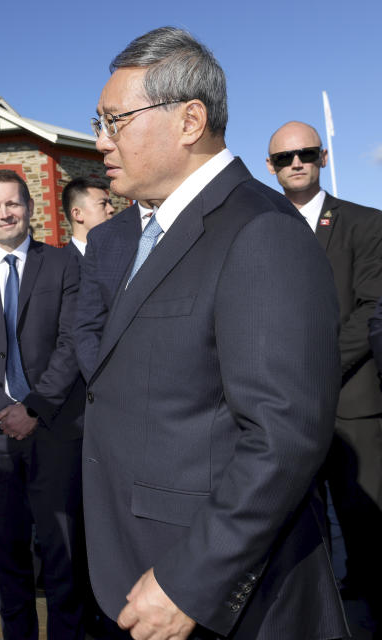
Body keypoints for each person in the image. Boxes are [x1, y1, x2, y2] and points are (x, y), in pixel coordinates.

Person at [84, 27, 346, 639]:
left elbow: (284, 436)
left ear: (189, 119)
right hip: (141, 565)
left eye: (115, 120)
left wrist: (190, 579)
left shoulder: (260, 231)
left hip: (219, 595)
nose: (101, 141)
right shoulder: (150, 234)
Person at [0, 169, 86, 640]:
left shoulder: (64, 265)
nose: (5, 213)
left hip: (53, 428)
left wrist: (35, 407)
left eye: (14, 203)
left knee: (63, 551)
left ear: (29, 207)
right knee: (7, 557)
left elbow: (72, 342)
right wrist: (4, 408)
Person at [266, 120, 382, 623]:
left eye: (306, 154)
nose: (296, 163)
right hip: (283, 408)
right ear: (271, 168)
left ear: (323, 158)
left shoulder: (366, 224)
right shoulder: (261, 231)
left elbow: (373, 307)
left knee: (366, 521)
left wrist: (316, 370)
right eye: (284, 158)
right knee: (298, 523)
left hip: (351, 405)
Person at [72, 200, 152, 380]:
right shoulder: (102, 237)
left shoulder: (215, 214)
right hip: (121, 390)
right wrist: (104, 385)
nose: (111, 208)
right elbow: (88, 326)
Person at [61, 177, 116, 256]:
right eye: (103, 204)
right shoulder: (60, 264)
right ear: (78, 214)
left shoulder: (122, 256)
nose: (111, 209)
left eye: (110, 203)